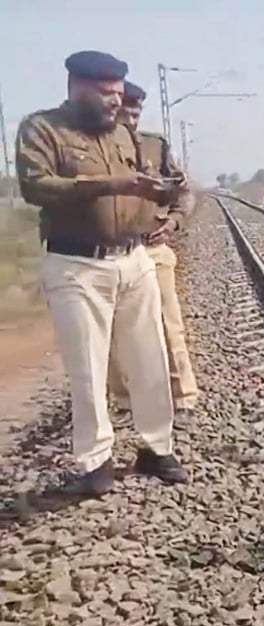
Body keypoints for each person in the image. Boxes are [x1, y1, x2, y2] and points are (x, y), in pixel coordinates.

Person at [15, 51, 189, 495]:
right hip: (77, 265)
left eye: (118, 93)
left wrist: (157, 198)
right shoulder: (43, 129)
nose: (116, 101)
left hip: (133, 260)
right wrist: (113, 185)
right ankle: (96, 462)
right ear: (79, 87)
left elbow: (141, 183)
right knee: (88, 366)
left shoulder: (125, 136)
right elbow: (37, 187)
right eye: (107, 93)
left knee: (150, 357)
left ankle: (156, 447)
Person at [107, 81, 198, 431]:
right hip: (110, 251)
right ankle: (125, 401)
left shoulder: (154, 146)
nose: (130, 116)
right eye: (124, 109)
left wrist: (173, 222)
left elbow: (182, 192)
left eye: (136, 110)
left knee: (167, 325)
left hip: (152, 249)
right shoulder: (96, 147)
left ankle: (182, 399)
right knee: (116, 333)